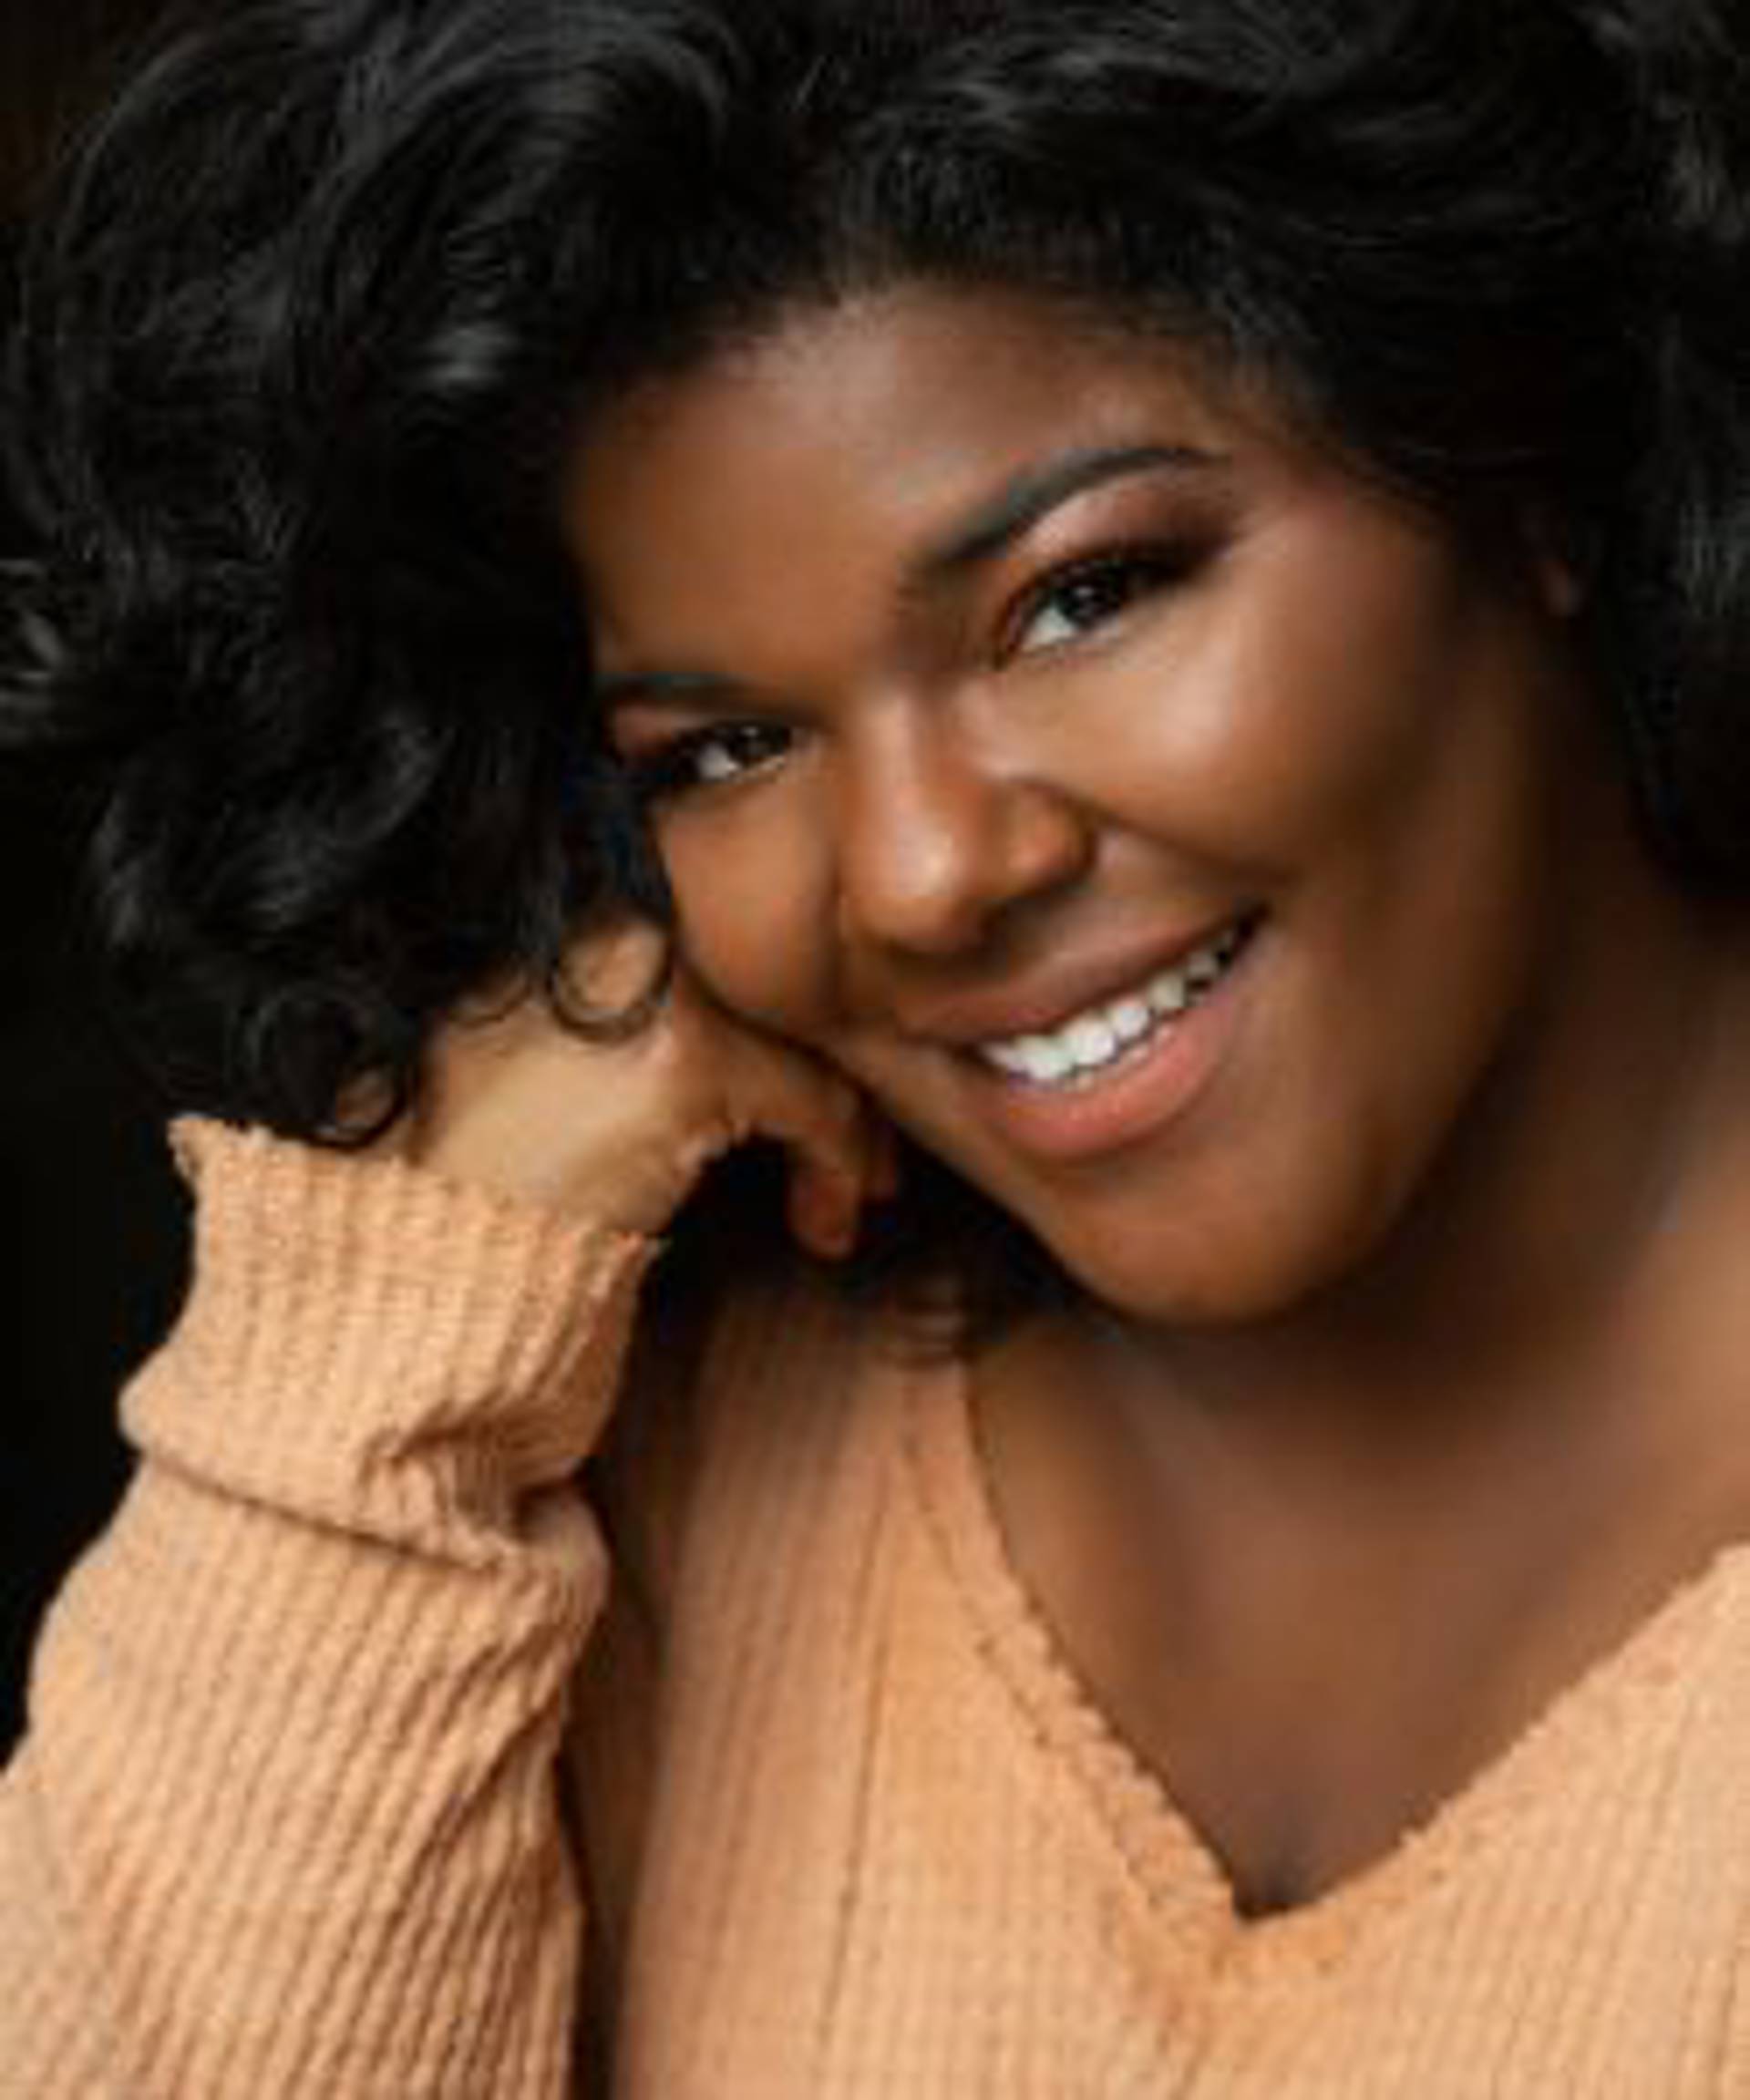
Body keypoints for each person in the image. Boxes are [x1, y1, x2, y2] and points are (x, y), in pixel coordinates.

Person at [3, 0, 1749, 2089]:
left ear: (1521, 456)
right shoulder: (610, 1461)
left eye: (1085, 596)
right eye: (727, 746)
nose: (921, 878)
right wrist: (415, 1311)